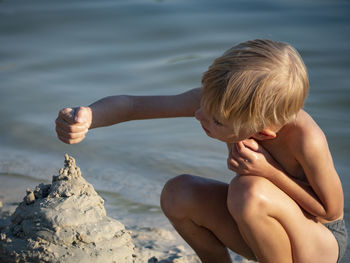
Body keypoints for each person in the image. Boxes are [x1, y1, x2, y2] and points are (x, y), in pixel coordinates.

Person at [55, 39, 347, 263]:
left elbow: (330, 212)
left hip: (316, 244)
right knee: (178, 192)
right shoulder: (218, 104)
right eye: (203, 104)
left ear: (260, 132)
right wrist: (90, 116)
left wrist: (268, 172)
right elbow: (134, 105)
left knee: (248, 191)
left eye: (215, 120)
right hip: (260, 231)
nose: (199, 115)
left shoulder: (306, 138)